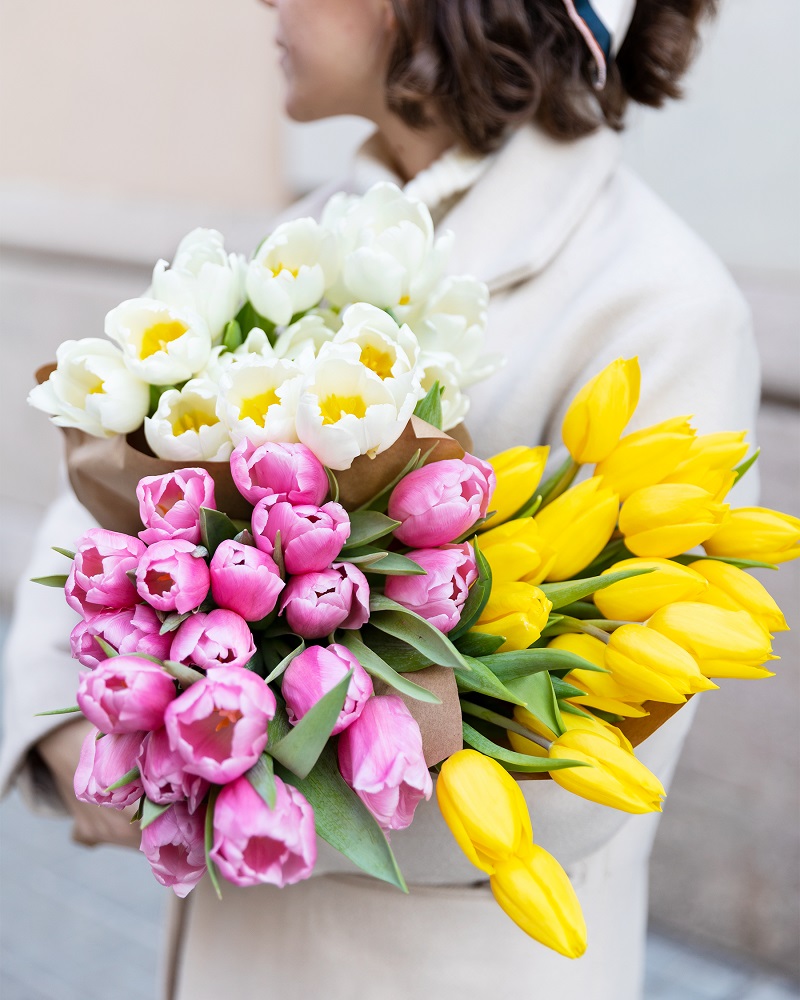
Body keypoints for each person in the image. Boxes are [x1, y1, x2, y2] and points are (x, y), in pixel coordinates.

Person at [0, 1, 761, 997]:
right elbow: (112, 506)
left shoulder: (662, 305)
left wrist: (180, 774)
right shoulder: (297, 240)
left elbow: (586, 769)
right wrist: (63, 725)